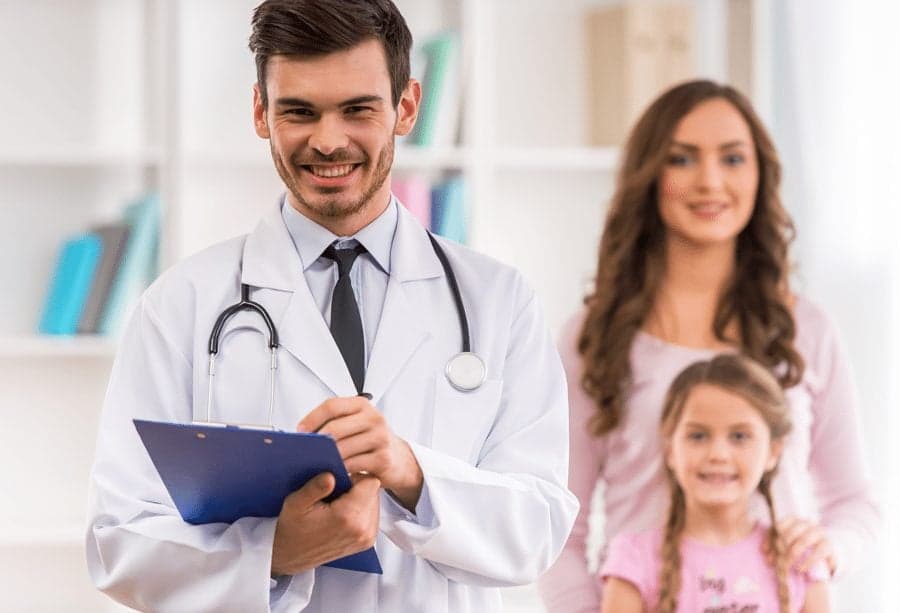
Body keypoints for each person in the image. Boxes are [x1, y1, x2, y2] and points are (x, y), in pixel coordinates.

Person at [85, 1, 578, 611]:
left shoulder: (498, 301)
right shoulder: (181, 305)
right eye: (299, 111)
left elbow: (539, 528)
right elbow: (118, 540)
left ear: (406, 105)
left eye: (357, 109)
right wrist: (276, 552)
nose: (327, 140)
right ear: (262, 112)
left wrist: (410, 473)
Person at [538, 80, 878, 612]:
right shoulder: (593, 338)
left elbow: (855, 503)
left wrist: (828, 548)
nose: (710, 181)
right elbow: (560, 525)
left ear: (760, 175)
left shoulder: (805, 329)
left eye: (733, 158)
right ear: (650, 176)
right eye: (682, 159)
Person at [599, 353, 830, 613]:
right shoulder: (633, 561)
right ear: (670, 450)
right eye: (698, 435)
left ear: (773, 452)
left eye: (739, 436)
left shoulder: (801, 561)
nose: (718, 454)